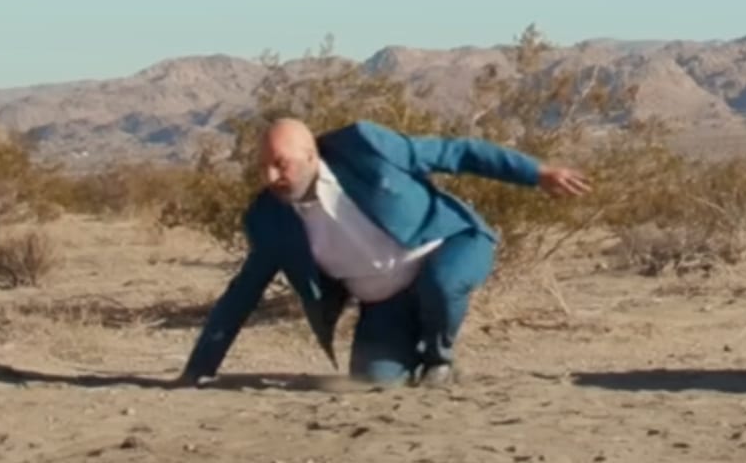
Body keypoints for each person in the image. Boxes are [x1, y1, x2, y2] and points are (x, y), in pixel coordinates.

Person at [178, 117, 592, 388]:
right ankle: (413, 360)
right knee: (375, 382)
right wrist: (198, 370)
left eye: (281, 165)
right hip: (385, 300)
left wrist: (536, 173)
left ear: (310, 155)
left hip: (449, 246)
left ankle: (439, 358)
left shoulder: (366, 148)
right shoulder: (268, 218)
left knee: (443, 283)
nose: (271, 177)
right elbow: (242, 294)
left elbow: (456, 152)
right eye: (264, 167)